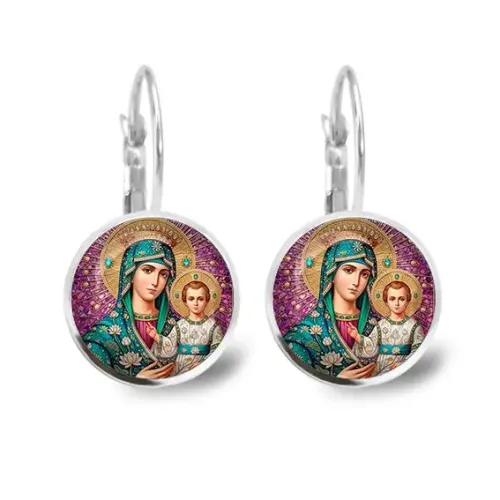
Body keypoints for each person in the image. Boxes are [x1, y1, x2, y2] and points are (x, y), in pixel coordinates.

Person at [82, 239, 179, 379]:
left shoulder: (179, 326)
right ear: (131, 274)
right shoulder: (103, 334)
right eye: (148, 270)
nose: (155, 282)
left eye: (163, 274)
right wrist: (136, 381)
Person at [284, 239, 378, 379]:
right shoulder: (304, 333)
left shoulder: (379, 326)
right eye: (349, 270)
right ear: (331, 274)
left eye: (364, 274)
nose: (356, 282)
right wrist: (337, 380)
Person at [348, 280, 425, 375]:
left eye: (401, 299)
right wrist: (357, 336)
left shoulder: (414, 326)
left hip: (404, 368)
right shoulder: (381, 325)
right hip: (381, 367)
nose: (397, 303)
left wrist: (404, 363)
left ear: (407, 301)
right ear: (386, 301)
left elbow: (419, 350)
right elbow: (372, 347)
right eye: (392, 299)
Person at [163, 280, 224, 375]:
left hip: (203, 369)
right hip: (179, 368)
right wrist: (155, 336)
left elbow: (218, 350)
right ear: (185, 301)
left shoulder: (213, 326)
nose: (196, 303)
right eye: (191, 299)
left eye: (200, 299)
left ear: (207, 301)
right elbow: (169, 346)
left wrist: (203, 363)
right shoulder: (180, 325)